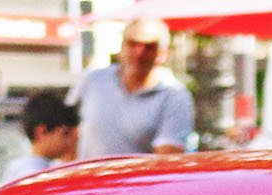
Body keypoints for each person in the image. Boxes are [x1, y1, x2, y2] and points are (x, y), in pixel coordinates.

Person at [68, 19, 194, 160]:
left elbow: (167, 159)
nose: (139, 53)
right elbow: (66, 132)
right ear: (122, 47)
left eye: (149, 47)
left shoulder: (173, 95)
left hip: (137, 181)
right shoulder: (93, 80)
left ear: (162, 53)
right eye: (133, 44)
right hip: (87, 180)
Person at [1, 91, 80, 183]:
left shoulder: (16, 167)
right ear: (41, 132)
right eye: (65, 133)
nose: (73, 139)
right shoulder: (34, 174)